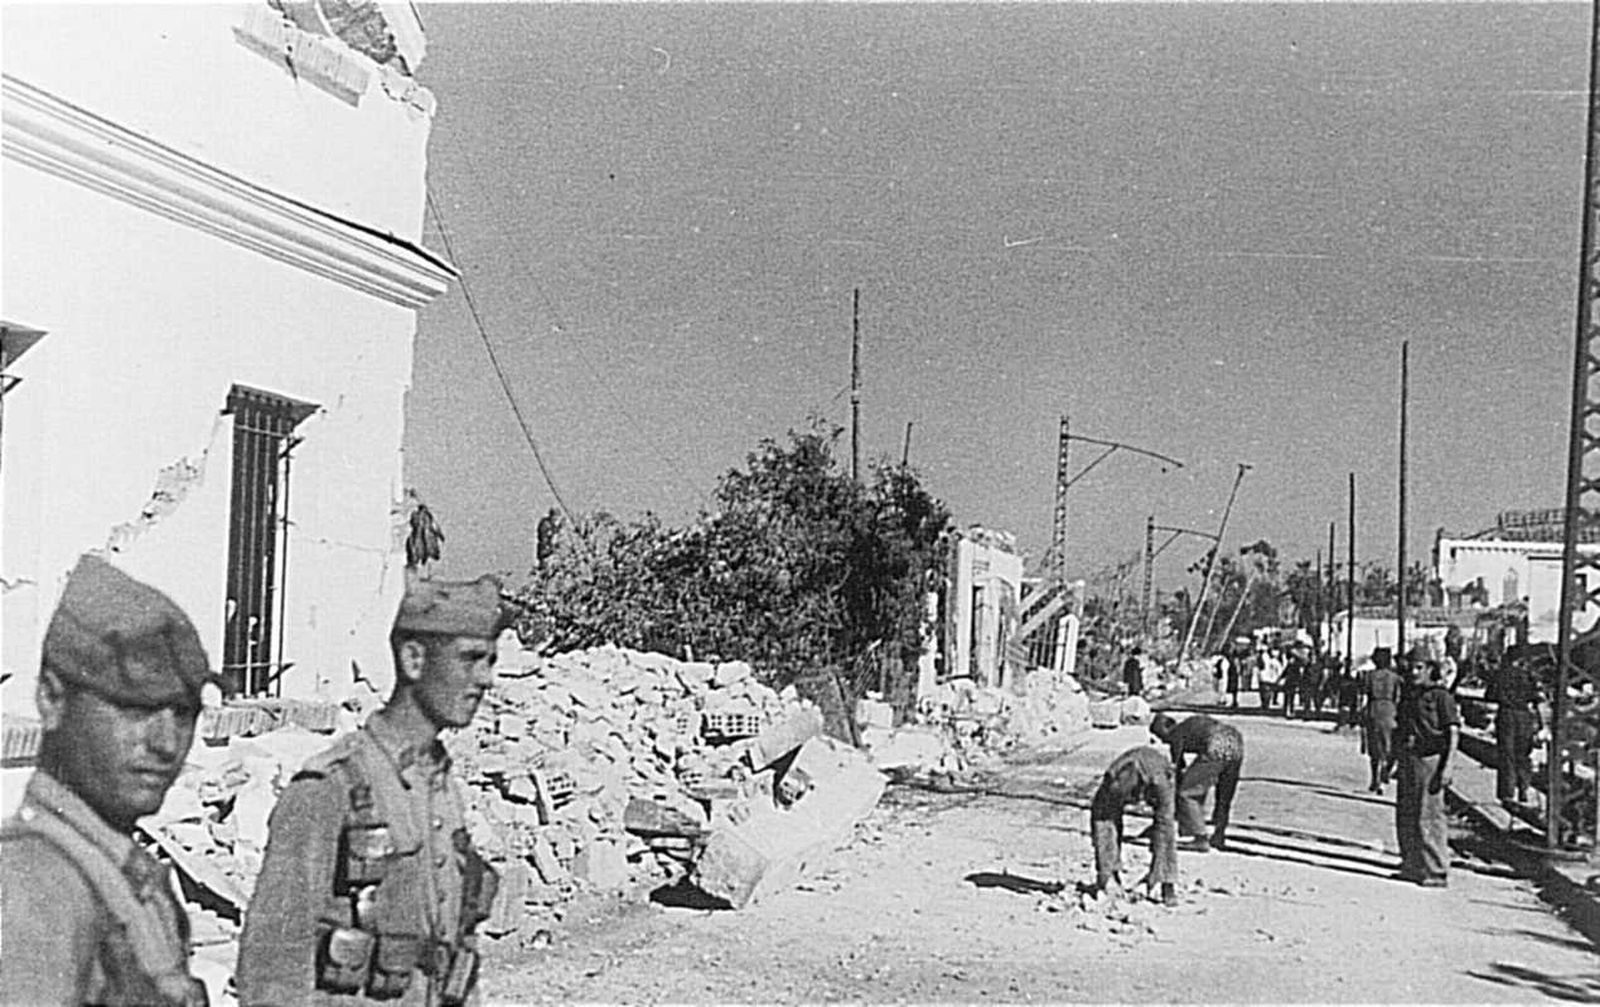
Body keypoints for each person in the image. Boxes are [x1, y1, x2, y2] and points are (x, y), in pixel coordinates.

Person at [238, 574, 510, 1006]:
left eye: (490, 661)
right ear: (414, 659)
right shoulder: (332, 786)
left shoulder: (439, 784)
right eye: (471, 659)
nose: (485, 679)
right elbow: (272, 967)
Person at [0, 554, 213, 1006]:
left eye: (183, 713)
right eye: (134, 709)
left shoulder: (121, 873)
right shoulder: (33, 887)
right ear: (52, 699)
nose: (166, 743)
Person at [1394, 659, 1460, 888]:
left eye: (1418, 667)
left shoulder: (1441, 697)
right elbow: (1401, 728)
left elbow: (1453, 732)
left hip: (1431, 759)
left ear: (1430, 669)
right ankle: (1412, 864)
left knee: (1429, 814)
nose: (1412, 671)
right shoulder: (1411, 695)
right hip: (1410, 758)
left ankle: (1436, 870)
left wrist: (1448, 765)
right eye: (1410, 667)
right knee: (1407, 813)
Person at [1089, 744, 1179, 906]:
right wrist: (1106, 874)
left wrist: (1166, 879)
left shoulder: (1159, 780)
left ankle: (1164, 882)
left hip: (1157, 775)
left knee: (1165, 826)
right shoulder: (1111, 780)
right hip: (1124, 781)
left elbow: (1165, 825)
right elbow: (1102, 821)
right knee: (1104, 815)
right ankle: (1110, 876)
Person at [1150, 712, 1245, 851]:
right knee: (1224, 796)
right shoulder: (1189, 725)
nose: (1164, 741)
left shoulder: (1176, 734)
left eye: (1161, 736)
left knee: (1187, 792)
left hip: (1217, 744)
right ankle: (1219, 835)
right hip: (1235, 740)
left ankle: (1199, 838)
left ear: (1165, 728)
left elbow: (1176, 774)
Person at [1488, 655, 1542, 806]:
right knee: (1523, 754)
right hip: (1524, 716)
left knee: (1507, 754)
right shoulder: (1529, 675)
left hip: (1506, 715)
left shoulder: (1501, 674)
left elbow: (1490, 695)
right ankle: (1523, 788)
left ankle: (1507, 792)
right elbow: (1537, 698)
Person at [1363, 647, 1402, 792]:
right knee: (1390, 746)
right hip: (1390, 711)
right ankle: (1385, 770)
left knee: (1374, 748)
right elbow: (1398, 697)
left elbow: (1364, 695)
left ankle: (1375, 779)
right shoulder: (1395, 678)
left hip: (1373, 709)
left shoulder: (1369, 676)